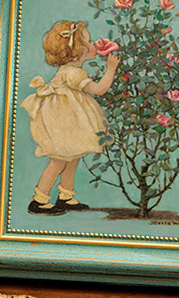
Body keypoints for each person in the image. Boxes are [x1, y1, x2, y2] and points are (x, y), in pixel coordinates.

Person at [21, 20, 119, 215]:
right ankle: (39, 199)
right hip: (63, 123)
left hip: (68, 121)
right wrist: (110, 69)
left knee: (72, 157)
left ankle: (65, 195)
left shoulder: (69, 71)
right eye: (88, 42)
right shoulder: (73, 73)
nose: (93, 44)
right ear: (77, 51)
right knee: (59, 160)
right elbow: (99, 89)